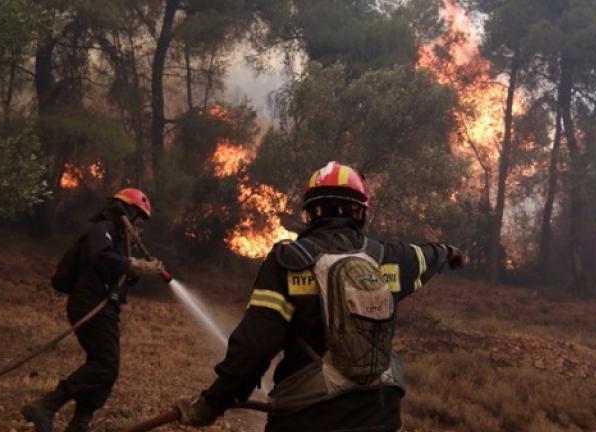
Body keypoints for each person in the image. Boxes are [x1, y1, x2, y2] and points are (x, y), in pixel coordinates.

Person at [175, 161, 466, 432]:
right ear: (360, 212)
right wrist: (450, 253)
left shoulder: (288, 262)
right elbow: (428, 255)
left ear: (311, 212)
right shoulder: (388, 258)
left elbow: (254, 346)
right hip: (380, 412)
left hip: (310, 416)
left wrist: (210, 405)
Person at [21, 188, 163, 432]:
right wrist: (132, 264)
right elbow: (100, 257)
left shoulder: (120, 242)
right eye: (138, 218)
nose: (139, 226)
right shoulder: (103, 229)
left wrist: (140, 269)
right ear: (128, 212)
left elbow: (122, 279)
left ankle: (80, 422)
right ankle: (47, 405)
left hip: (105, 306)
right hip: (89, 302)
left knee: (107, 367)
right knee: (105, 364)